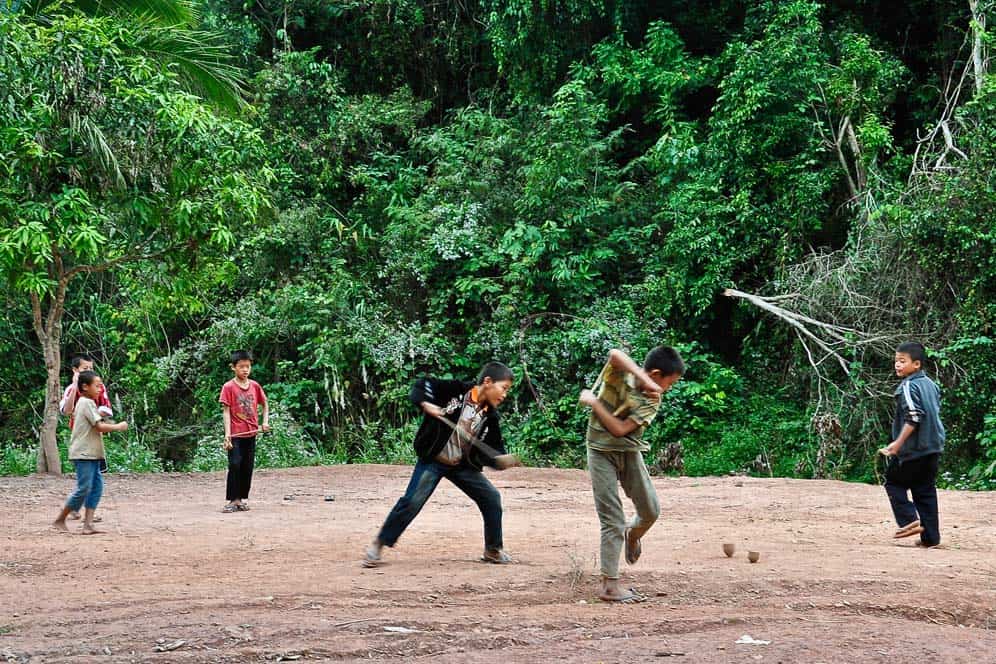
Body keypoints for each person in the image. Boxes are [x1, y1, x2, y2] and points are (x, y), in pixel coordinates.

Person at [363, 362, 521, 568]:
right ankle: (379, 543)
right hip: (433, 460)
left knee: (491, 497)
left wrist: (500, 461)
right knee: (412, 501)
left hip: (461, 466)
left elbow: (492, 451)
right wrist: (426, 403)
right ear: (488, 382)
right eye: (504, 388)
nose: (505, 394)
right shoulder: (454, 391)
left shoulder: (490, 416)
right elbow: (423, 385)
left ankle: (492, 550)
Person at [579, 347, 684, 602]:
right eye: (669, 383)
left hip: (628, 450)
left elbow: (619, 430)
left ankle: (632, 534)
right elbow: (615, 354)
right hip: (599, 451)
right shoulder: (621, 373)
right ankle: (609, 586)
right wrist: (646, 380)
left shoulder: (652, 400)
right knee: (612, 519)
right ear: (656, 374)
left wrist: (593, 402)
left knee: (650, 510)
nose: (667, 389)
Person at [878, 342, 945, 547]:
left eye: (902, 361)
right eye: (896, 361)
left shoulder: (908, 385)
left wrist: (897, 444)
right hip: (934, 446)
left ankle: (908, 520)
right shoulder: (931, 384)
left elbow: (914, 417)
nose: (897, 365)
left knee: (893, 482)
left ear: (916, 364)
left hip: (914, 448)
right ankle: (931, 537)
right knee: (924, 489)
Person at [52, 371, 128, 534]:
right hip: (84, 453)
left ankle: (88, 525)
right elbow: (99, 426)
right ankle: (60, 519)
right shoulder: (85, 403)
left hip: (91, 453)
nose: (100, 389)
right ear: (85, 387)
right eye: (97, 386)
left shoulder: (89, 403)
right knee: (84, 488)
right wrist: (118, 427)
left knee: (96, 488)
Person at [60, 354, 113, 520]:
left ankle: (85, 515)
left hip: (94, 436)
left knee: (93, 479)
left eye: (91, 368)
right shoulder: (74, 392)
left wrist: (93, 415)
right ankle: (66, 515)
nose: (89, 371)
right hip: (82, 438)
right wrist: (76, 387)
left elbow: (107, 409)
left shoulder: (98, 388)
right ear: (75, 371)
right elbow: (66, 410)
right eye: (85, 369)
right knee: (87, 482)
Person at [219, 350, 269, 513]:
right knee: (235, 464)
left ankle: (241, 499)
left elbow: (265, 404)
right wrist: (227, 435)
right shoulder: (228, 387)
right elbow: (226, 411)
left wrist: (265, 422)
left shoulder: (255, 386)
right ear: (233, 367)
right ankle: (233, 500)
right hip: (235, 435)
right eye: (241, 367)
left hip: (251, 433)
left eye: (248, 366)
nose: (245, 370)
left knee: (247, 466)